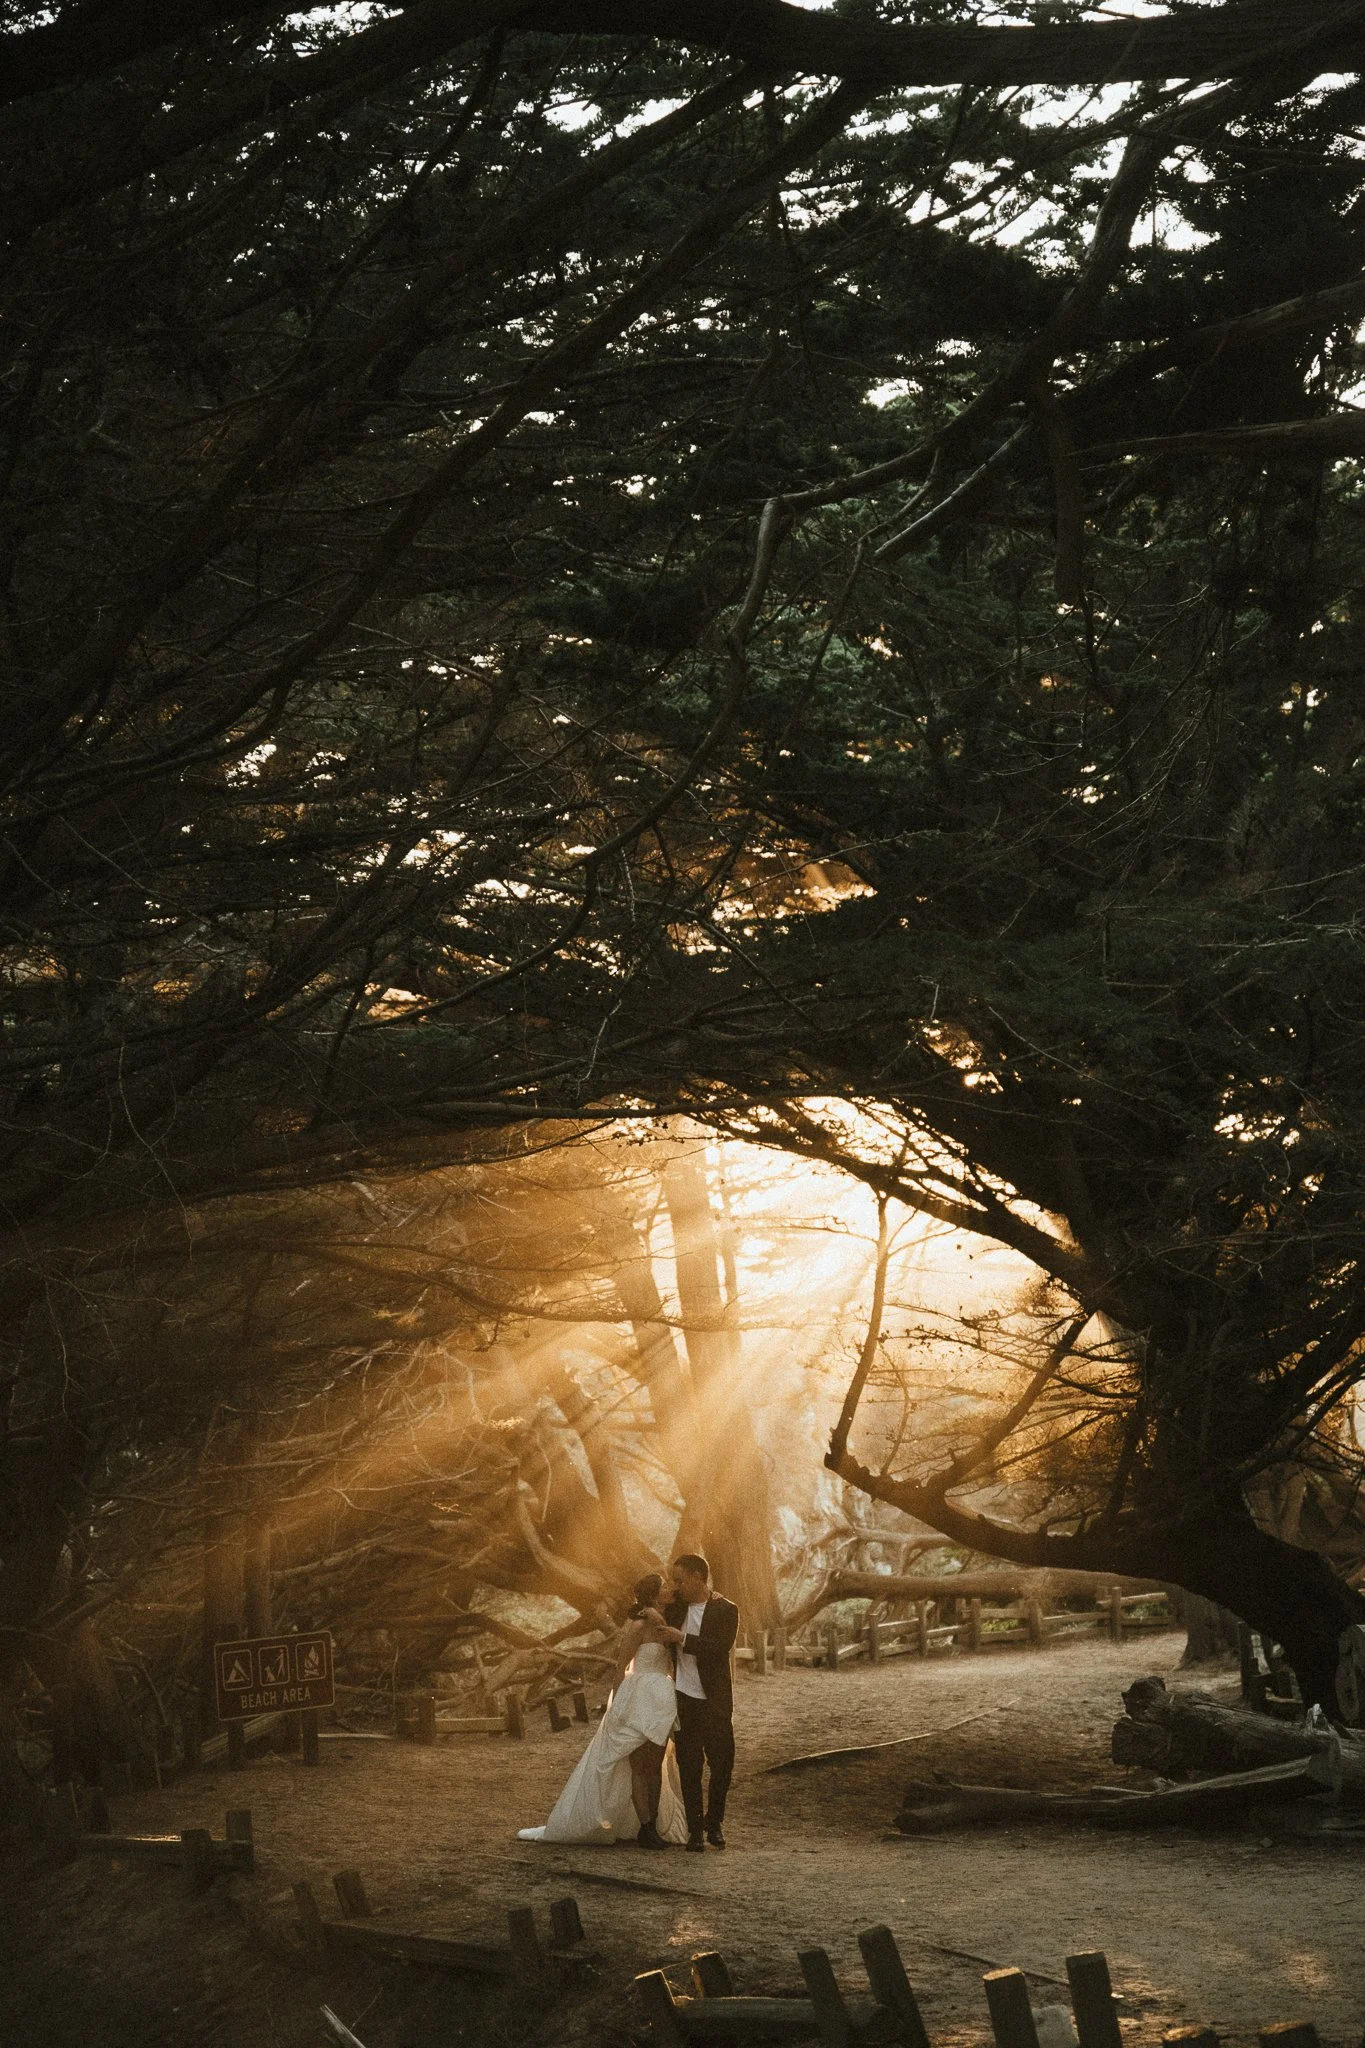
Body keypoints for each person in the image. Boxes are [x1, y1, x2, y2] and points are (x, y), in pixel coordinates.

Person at [516, 1573, 689, 1847]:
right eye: (665, 1586)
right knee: (638, 1766)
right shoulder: (639, 1625)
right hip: (639, 1697)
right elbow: (621, 1666)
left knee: (655, 1765)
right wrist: (618, 1704)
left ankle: (653, 1824)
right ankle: (645, 1827)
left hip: (662, 1697)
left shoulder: (669, 1620)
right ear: (653, 1595)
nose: (671, 1588)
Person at [664, 1553, 738, 1851]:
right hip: (684, 1698)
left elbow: (719, 1649)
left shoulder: (725, 1610)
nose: (676, 1586)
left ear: (697, 1576)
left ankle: (714, 1823)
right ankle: (695, 1830)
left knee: (722, 1763)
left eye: (680, 1580)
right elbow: (641, 1609)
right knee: (689, 1764)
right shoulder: (676, 1607)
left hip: (715, 1700)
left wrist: (681, 1638)